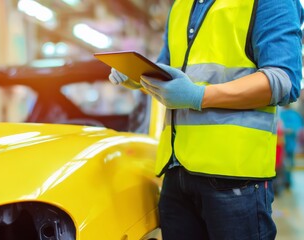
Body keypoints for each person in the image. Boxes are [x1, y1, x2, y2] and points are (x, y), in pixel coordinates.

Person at [109, 0, 304, 239]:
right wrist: (139, 76)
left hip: (234, 177)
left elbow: (283, 80)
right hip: (176, 172)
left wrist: (198, 96)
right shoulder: (180, 6)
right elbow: (168, 76)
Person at [279, 104, 304, 189]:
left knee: (288, 163)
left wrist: (287, 130)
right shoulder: (281, 114)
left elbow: (297, 127)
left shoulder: (293, 114)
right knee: (283, 163)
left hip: (289, 144)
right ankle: (284, 181)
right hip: (282, 143)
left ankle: (287, 181)